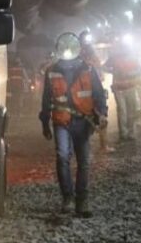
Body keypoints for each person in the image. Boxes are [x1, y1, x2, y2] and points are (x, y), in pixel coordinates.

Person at [39, 32, 108, 217]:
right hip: (61, 120)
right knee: (62, 156)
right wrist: (45, 122)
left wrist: (102, 114)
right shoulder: (52, 71)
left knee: (84, 161)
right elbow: (46, 98)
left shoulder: (88, 69)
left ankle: (82, 200)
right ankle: (67, 197)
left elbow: (99, 94)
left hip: (83, 120)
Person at [103, 38, 141, 142]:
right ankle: (124, 133)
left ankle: (131, 132)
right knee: (122, 111)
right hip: (119, 88)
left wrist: (128, 74)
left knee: (131, 110)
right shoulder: (114, 58)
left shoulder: (133, 58)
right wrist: (113, 71)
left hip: (130, 86)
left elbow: (139, 70)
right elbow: (104, 67)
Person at [78, 30, 112, 152]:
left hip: (93, 87)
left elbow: (98, 66)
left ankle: (104, 145)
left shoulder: (92, 55)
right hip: (78, 89)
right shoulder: (75, 54)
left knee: (102, 115)